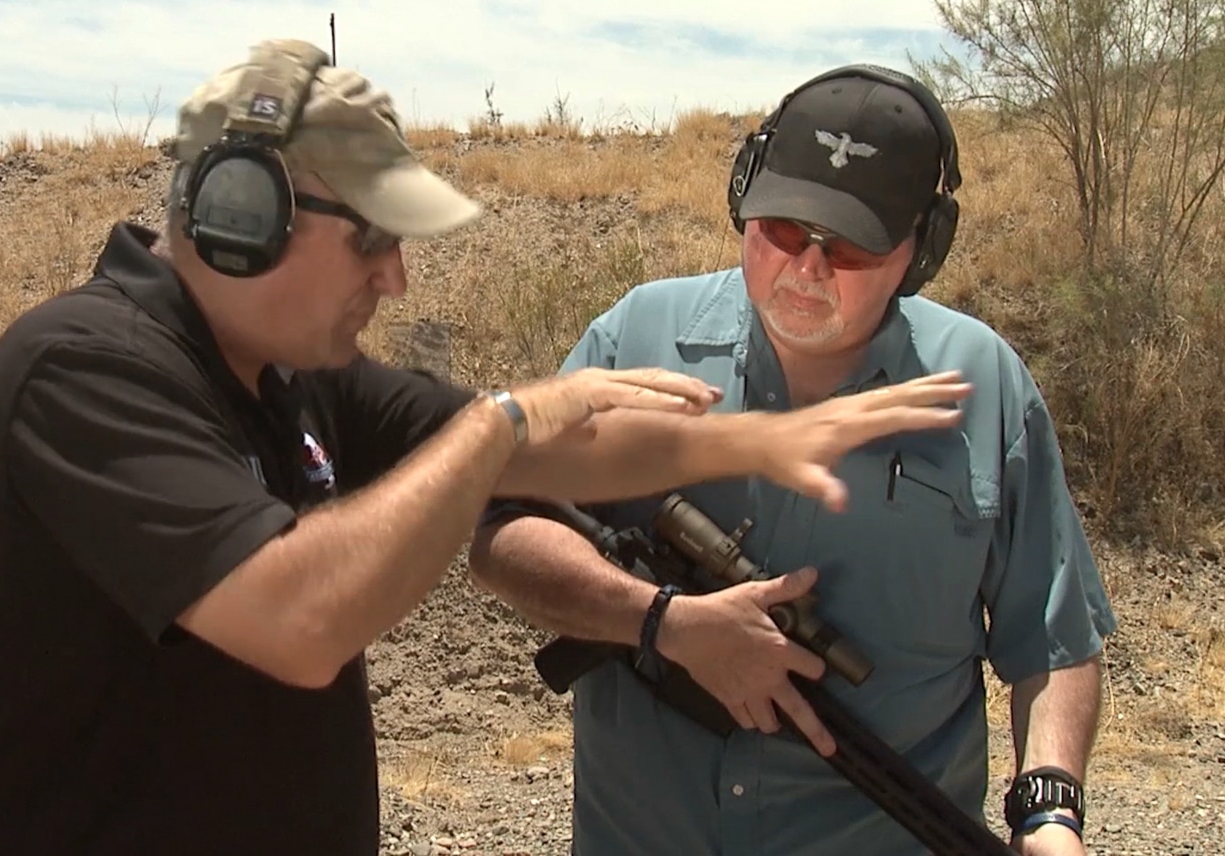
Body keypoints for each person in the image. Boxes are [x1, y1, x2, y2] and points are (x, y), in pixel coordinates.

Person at [0, 42, 975, 856]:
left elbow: (561, 452)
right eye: (372, 240)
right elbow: (297, 618)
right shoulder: (84, 369)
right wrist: (501, 425)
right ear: (244, 215)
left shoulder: (288, 375)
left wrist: (764, 435)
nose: (395, 282)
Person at [468, 64, 1118, 856]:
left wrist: (1049, 813)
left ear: (922, 249)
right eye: (781, 230)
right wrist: (663, 624)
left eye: (848, 246)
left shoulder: (983, 386)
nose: (806, 269)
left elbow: (1050, 640)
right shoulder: (638, 338)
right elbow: (502, 532)